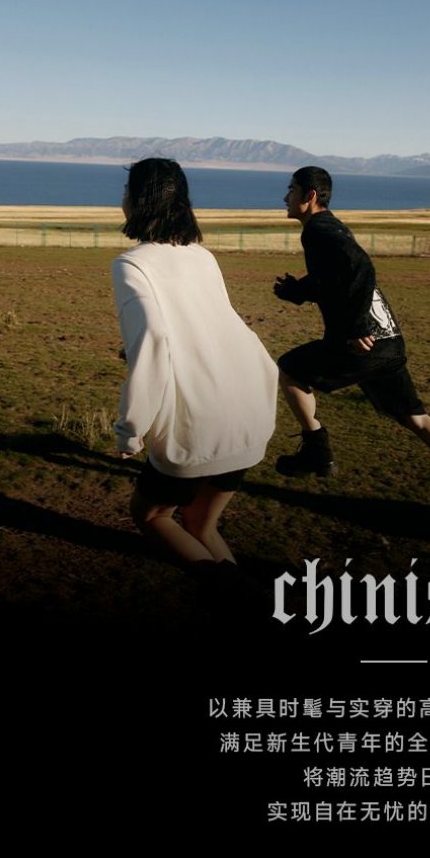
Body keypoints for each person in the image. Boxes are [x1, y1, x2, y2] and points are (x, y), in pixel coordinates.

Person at [272, 166, 430, 517]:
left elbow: (360, 268)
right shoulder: (332, 227)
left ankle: (316, 450)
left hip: (361, 344)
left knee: (290, 369)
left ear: (310, 196)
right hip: (389, 343)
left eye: (291, 190)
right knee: (417, 419)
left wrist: (355, 326)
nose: (285, 197)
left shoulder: (319, 230)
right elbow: (333, 278)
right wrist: (298, 290)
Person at [113, 157, 278, 577]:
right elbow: (204, 329)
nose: (122, 199)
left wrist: (130, 429)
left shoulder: (132, 264)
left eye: (127, 191)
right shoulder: (202, 256)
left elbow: (152, 344)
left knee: (152, 515)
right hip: (250, 409)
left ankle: (233, 600)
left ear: (138, 200)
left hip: (199, 423)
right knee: (202, 523)